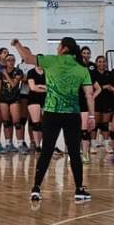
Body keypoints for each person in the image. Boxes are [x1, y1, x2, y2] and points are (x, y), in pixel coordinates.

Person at [10, 38, 95, 204]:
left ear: (63, 48)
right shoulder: (81, 68)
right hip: (72, 114)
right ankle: (78, 190)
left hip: (51, 113)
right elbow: (89, 94)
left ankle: (36, 188)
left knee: (47, 151)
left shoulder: (51, 60)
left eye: (58, 46)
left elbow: (27, 58)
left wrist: (17, 45)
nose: (57, 48)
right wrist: (91, 116)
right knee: (73, 152)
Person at [0, 54, 26, 154]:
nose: (11, 62)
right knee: (6, 122)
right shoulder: (1, 72)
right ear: (5, 61)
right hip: (3, 99)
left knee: (17, 123)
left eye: (13, 60)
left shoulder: (18, 71)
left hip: (14, 99)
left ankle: (20, 144)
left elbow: (13, 85)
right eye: (8, 60)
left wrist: (5, 74)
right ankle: (8, 144)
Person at [90, 56, 114, 156]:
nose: (102, 63)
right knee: (94, 124)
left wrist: (111, 88)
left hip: (107, 101)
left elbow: (113, 87)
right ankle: (92, 144)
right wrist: (104, 86)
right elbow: (92, 87)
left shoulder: (109, 74)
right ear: (96, 63)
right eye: (99, 62)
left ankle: (106, 144)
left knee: (105, 124)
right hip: (96, 101)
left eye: (104, 62)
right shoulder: (92, 74)